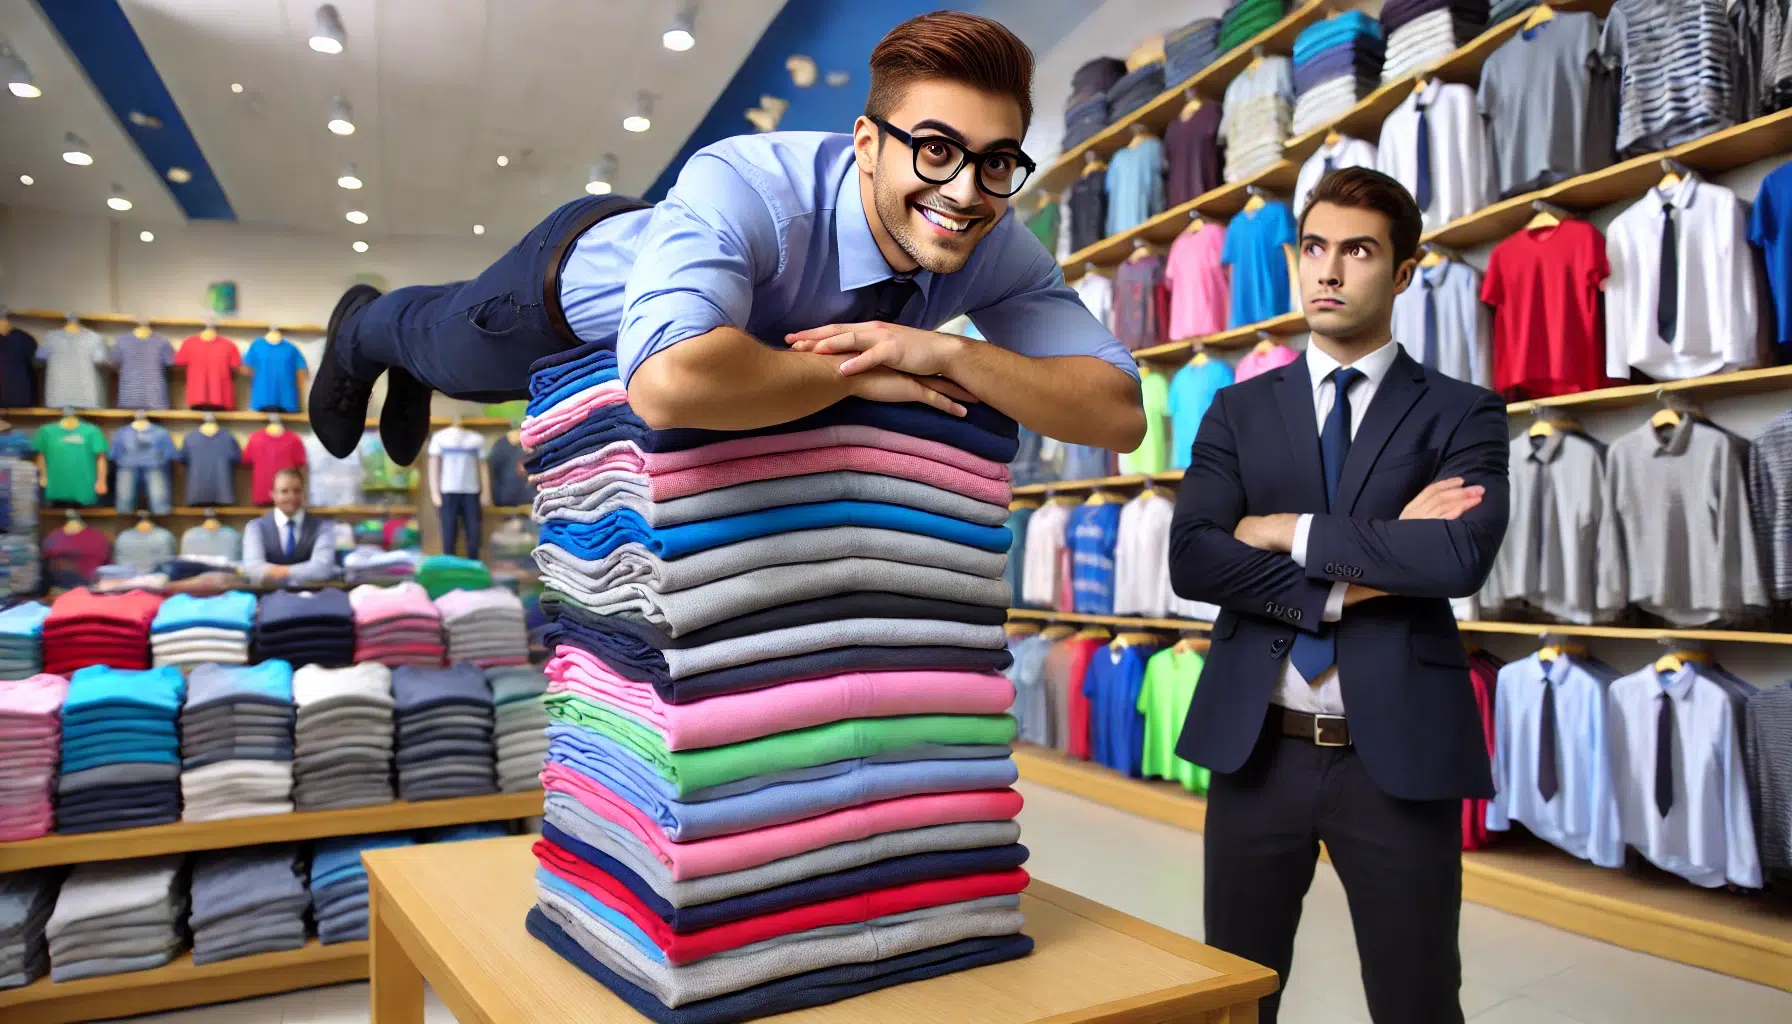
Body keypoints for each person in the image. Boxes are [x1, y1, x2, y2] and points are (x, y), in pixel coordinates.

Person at [309, 11, 1145, 466]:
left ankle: (402, 357)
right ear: (865, 142)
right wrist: (862, 374)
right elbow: (670, 385)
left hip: (706, 287)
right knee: (456, 359)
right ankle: (365, 332)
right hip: (569, 287)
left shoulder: (989, 232)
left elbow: (1118, 415)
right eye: (935, 149)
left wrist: (948, 355)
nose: (964, 192)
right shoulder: (751, 180)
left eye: (995, 161)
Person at [1168, 168, 1510, 1024]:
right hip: (1259, 750)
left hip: (1395, 756)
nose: (1329, 270)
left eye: (1357, 251)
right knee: (1239, 998)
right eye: (1314, 248)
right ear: (1293, 258)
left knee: (1418, 999)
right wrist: (1350, 585)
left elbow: (1457, 556)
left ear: (1401, 273)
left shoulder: (1463, 413)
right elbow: (1195, 561)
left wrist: (1286, 528)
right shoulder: (1235, 411)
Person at [242, 468, 339, 588]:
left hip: (312, 597)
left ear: (303, 493)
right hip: (267, 597)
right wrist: (303, 572)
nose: (291, 496)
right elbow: (253, 568)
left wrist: (280, 572)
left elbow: (323, 568)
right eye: (284, 491)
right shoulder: (255, 527)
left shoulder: (322, 527)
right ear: (272, 494)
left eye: (297, 491)